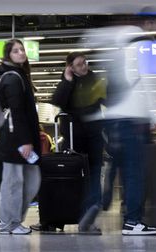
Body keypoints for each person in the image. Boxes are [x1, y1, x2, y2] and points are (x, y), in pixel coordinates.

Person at [85, 12, 156, 236]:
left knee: (119, 170)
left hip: (115, 119)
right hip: (132, 118)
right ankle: (132, 221)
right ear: (149, 22)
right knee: (134, 173)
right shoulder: (140, 41)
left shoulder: (116, 39)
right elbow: (145, 78)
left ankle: (97, 205)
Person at [51, 51, 107, 233]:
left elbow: (107, 99)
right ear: (71, 68)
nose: (84, 66)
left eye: (85, 62)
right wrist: (68, 80)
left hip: (94, 137)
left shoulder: (94, 80)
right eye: (79, 64)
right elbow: (58, 101)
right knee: (76, 178)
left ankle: (89, 217)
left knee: (94, 175)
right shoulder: (67, 83)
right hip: (74, 138)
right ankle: (77, 215)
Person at [0, 39, 41, 235]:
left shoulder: (20, 75)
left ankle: (15, 221)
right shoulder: (12, 78)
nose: (21, 53)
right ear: (8, 55)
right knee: (12, 183)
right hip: (15, 141)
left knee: (32, 180)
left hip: (22, 139)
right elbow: (16, 112)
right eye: (15, 50)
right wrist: (25, 141)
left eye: (22, 49)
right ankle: (8, 224)